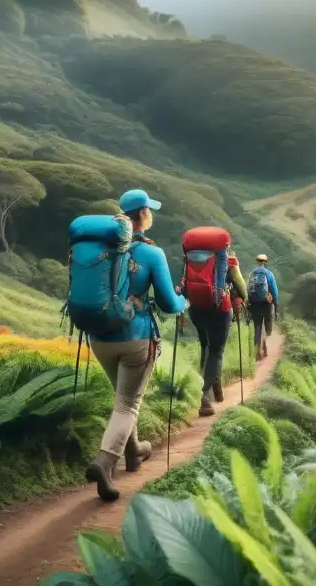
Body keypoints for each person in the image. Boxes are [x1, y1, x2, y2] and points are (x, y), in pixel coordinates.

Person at [84, 189, 187, 502]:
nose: (151, 214)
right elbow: (170, 304)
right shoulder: (152, 254)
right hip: (136, 337)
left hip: (99, 337)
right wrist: (184, 300)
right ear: (142, 214)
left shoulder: (97, 247)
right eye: (150, 210)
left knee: (122, 398)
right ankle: (105, 461)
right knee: (127, 403)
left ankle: (133, 453)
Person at [180, 243, 248, 417]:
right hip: (219, 309)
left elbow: (185, 286)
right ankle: (204, 394)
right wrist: (242, 296)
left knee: (206, 346)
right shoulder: (230, 262)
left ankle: (215, 388)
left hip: (196, 309)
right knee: (216, 351)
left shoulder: (191, 259)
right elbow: (242, 289)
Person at [247, 254, 279, 361]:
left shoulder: (252, 273)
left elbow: (248, 288)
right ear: (265, 262)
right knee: (267, 324)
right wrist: (275, 302)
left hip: (254, 302)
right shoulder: (268, 273)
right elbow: (274, 290)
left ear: (257, 261)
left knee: (257, 325)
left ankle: (257, 351)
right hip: (266, 302)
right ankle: (264, 346)